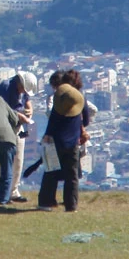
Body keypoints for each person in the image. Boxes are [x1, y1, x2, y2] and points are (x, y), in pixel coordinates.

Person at [37, 83, 85, 212]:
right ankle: (71, 205)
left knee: (50, 172)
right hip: (73, 144)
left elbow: (51, 125)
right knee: (72, 175)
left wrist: (46, 137)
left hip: (56, 142)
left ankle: (45, 202)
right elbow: (84, 121)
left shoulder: (57, 110)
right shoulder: (78, 109)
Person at [0, 71, 36, 202]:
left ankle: (13, 191)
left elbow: (27, 101)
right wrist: (19, 115)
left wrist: (29, 110)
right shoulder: (5, 87)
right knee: (3, 162)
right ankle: (0, 193)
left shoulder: (22, 91)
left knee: (18, 160)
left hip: (18, 127)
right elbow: (1, 108)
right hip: (5, 126)